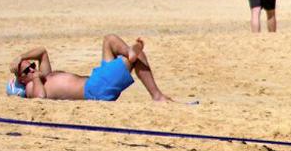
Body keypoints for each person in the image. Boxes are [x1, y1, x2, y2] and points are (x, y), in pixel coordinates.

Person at [9, 36, 174, 103]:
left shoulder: (43, 77)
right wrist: (35, 78)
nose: (32, 70)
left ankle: (129, 53)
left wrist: (21, 57)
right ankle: (157, 96)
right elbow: (40, 98)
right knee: (139, 57)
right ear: (22, 80)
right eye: (27, 71)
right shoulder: (32, 86)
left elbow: (42, 51)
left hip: (95, 79)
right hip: (94, 89)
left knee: (109, 40)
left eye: (31, 65)